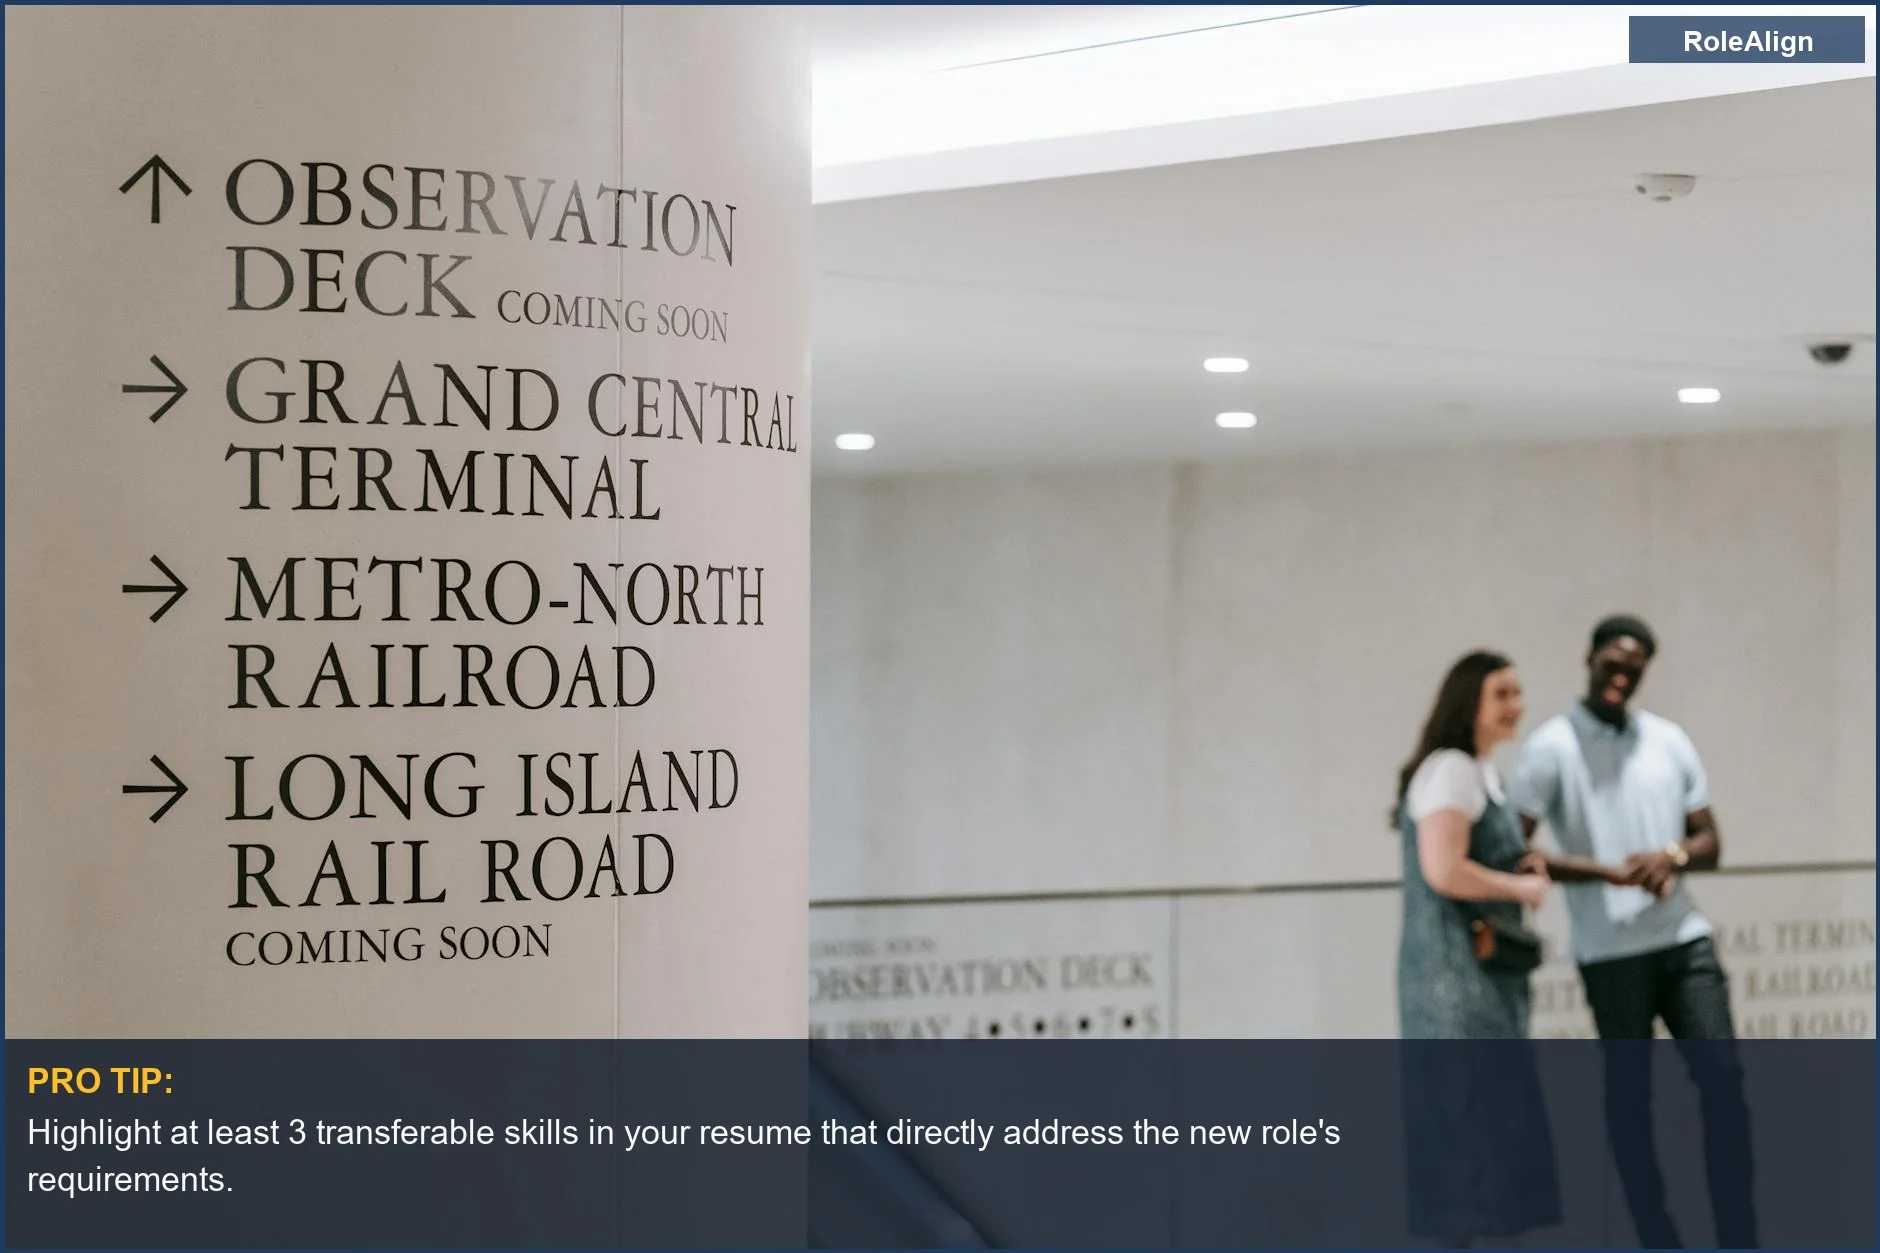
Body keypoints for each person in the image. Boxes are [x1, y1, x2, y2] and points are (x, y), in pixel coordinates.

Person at [1511, 614, 1757, 1249]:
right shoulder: (1552, 747)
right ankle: (1659, 1238)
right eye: (1612, 662)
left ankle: (1740, 1237)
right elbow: (1516, 849)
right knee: (1630, 1100)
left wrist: (1669, 856)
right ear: (1589, 658)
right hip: (1610, 956)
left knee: (1724, 1080)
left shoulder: (1669, 740)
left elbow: (1711, 841)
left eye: (1635, 665)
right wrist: (1606, 874)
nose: (1622, 674)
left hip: (1684, 942)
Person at [1393, 650, 1561, 1245]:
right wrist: (1520, 887)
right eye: (1503, 694)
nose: (1516, 706)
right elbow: (1443, 869)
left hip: (1485, 985)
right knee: (1463, 1130)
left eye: (1518, 692)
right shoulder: (1451, 770)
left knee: (1487, 1133)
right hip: (1453, 986)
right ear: (1471, 702)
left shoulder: (1481, 773)